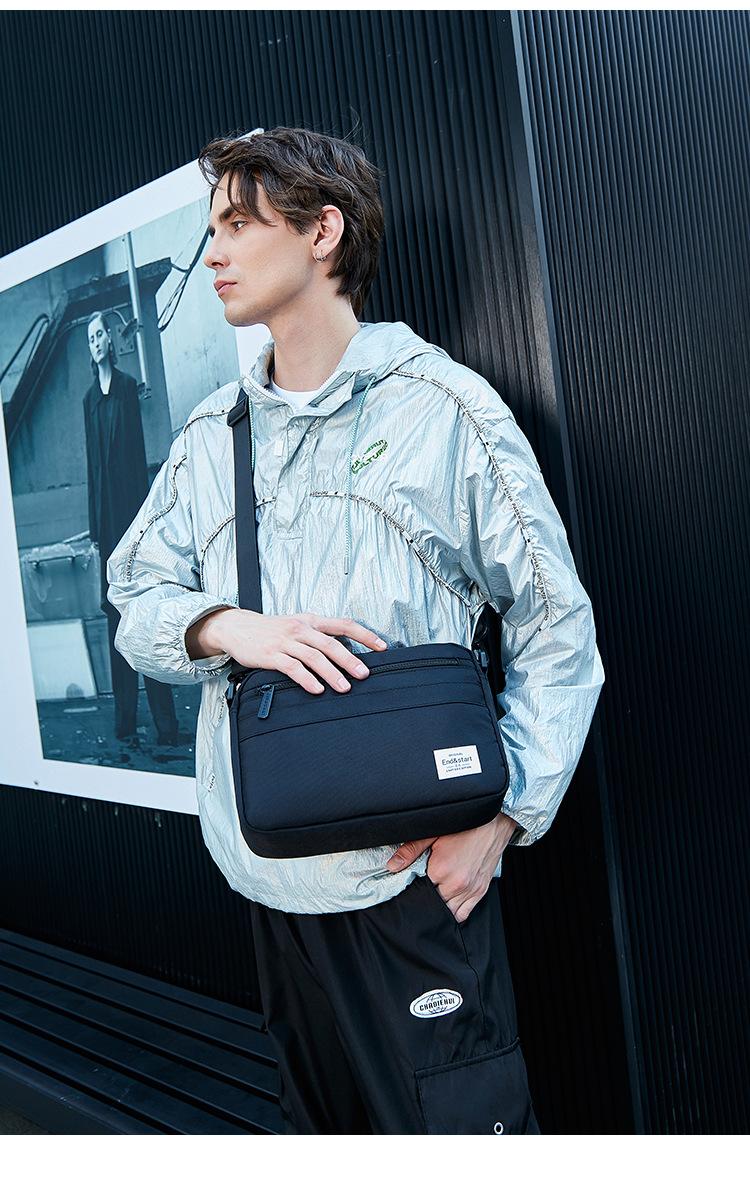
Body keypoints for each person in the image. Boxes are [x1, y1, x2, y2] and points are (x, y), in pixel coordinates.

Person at [105, 126, 605, 1134]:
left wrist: (506, 813)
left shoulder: (445, 410)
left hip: (412, 886)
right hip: (270, 882)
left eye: (237, 224)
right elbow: (133, 594)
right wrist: (225, 626)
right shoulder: (211, 437)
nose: (214, 252)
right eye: (212, 227)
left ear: (322, 230)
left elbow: (557, 622)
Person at [83, 312, 178, 748]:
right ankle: (124, 722)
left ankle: (166, 726)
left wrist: (145, 521)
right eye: (90, 337)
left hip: (132, 519)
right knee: (113, 618)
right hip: (106, 525)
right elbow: (92, 467)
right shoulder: (89, 400)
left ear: (110, 340)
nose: (96, 341)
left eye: (100, 334)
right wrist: (93, 527)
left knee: (143, 610)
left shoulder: (125, 388)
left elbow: (137, 454)